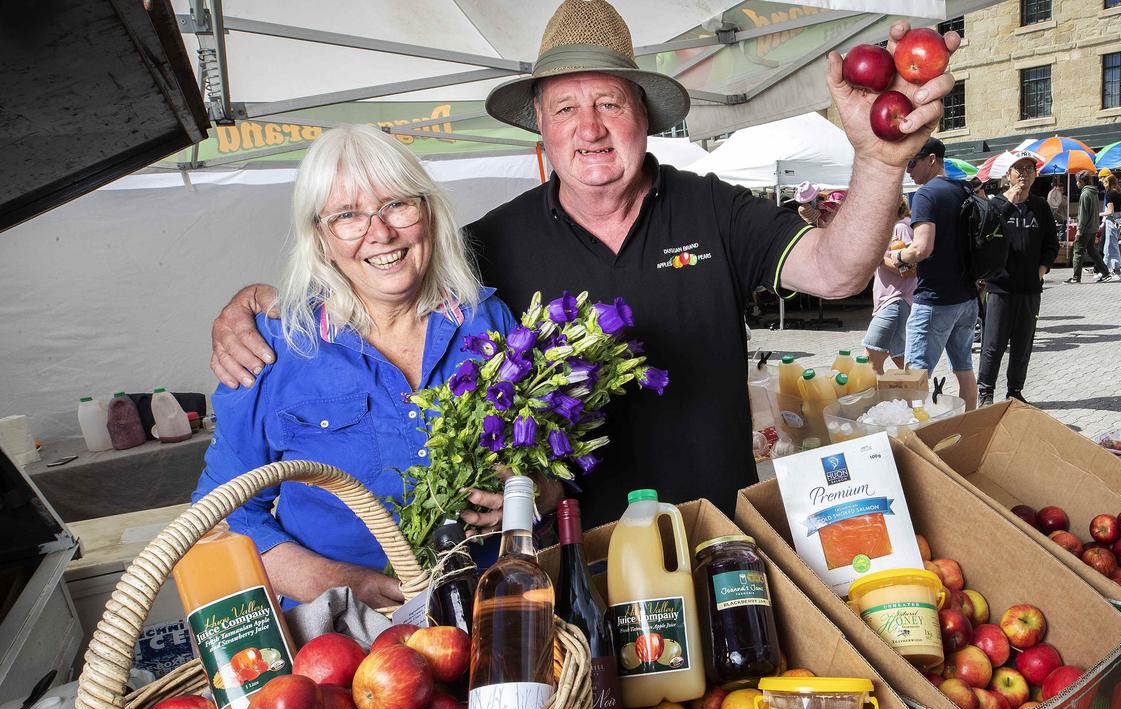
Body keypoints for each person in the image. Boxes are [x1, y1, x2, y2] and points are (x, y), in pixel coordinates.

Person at [206, 0, 961, 529]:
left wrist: (875, 160)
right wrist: (263, 303)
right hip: (570, 552)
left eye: (609, 101)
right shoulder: (486, 245)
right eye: (566, 107)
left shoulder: (712, 209)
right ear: (540, 126)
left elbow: (836, 273)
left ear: (645, 114)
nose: (589, 128)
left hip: (716, 527)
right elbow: (385, 270)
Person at [191, 125, 549, 608]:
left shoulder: (488, 322)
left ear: (429, 212)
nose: (379, 233)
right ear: (320, 238)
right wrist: (344, 584)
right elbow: (221, 518)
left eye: (397, 204)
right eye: (347, 215)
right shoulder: (274, 346)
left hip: (492, 612)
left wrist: (526, 497)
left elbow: (549, 474)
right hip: (345, 639)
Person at [891, 137, 979, 410]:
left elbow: (922, 248)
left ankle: (914, 438)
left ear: (931, 160)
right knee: (964, 369)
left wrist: (897, 255)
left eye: (912, 162)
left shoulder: (927, 194)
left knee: (915, 376)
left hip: (936, 299)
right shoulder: (965, 190)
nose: (908, 169)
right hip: (967, 299)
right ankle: (971, 429)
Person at [977, 155, 1057, 406]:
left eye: (1029, 169)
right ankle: (985, 392)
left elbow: (1051, 244)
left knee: (1023, 345)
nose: (1024, 173)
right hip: (999, 287)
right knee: (993, 344)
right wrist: (1007, 205)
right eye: (1019, 169)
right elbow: (983, 238)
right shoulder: (996, 205)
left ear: (1035, 174)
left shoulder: (1040, 206)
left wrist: (1041, 270)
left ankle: (1015, 391)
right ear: (1008, 174)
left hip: (1030, 289)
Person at [862, 195, 916, 373]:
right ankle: (916, 399)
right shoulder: (893, 228)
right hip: (893, 302)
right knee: (901, 361)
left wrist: (877, 257)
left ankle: (871, 400)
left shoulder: (901, 227)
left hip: (895, 302)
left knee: (869, 359)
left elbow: (909, 270)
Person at [1067, 171, 1110, 283]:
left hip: (1085, 228)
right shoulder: (1093, 192)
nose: (1076, 183)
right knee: (1091, 250)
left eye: (1077, 181)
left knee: (1078, 251)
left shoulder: (1085, 194)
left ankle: (1076, 277)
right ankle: (1106, 273)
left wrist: (1079, 229)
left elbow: (1083, 214)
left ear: (1082, 182)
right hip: (1093, 226)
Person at [1100, 172, 1121, 281]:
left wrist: (1099, 214)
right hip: (1119, 219)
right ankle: (1104, 269)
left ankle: (1116, 269)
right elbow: (1120, 209)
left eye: (1105, 182)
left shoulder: (1109, 194)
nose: (1103, 184)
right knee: (1109, 245)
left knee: (1111, 245)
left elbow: (1110, 211)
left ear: (1109, 183)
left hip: (1112, 220)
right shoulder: (1119, 192)